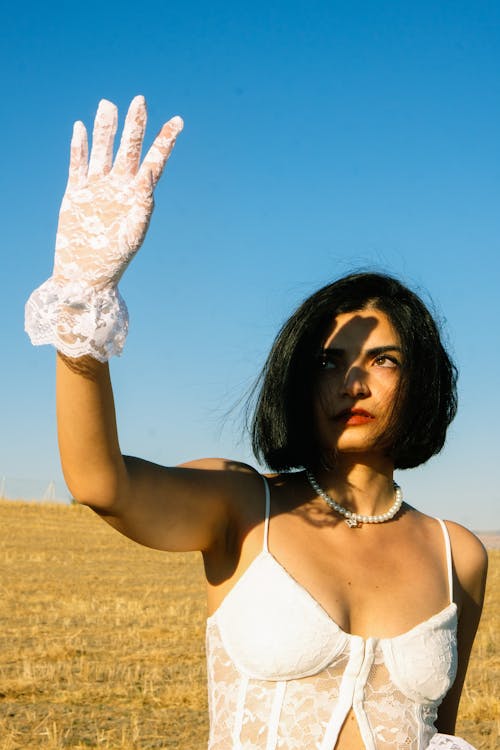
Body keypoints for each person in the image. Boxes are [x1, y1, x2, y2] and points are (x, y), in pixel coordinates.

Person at [25, 96, 488, 750]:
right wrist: (81, 307)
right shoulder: (242, 506)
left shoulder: (459, 555)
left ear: (421, 380)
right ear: (299, 382)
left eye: (382, 359)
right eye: (330, 362)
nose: (354, 381)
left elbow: (441, 730)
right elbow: (100, 482)